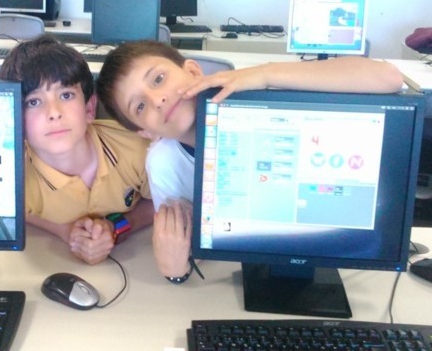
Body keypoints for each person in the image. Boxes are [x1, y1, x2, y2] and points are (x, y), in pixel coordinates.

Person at [95, 41, 404, 281]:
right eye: (140, 107)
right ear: (144, 131)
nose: (157, 99)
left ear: (193, 71)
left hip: (343, 255)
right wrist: (176, 268)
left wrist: (264, 74)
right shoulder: (164, 163)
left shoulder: (263, 100)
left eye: (159, 78)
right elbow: (189, 246)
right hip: (238, 275)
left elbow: (388, 78)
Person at [0, 36, 154, 265]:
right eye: (34, 102)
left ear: (89, 108)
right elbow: (18, 209)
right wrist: (65, 230)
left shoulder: (139, 149)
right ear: (14, 118)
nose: (54, 113)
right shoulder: (13, 175)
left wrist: (118, 226)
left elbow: (166, 202)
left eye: (66, 95)